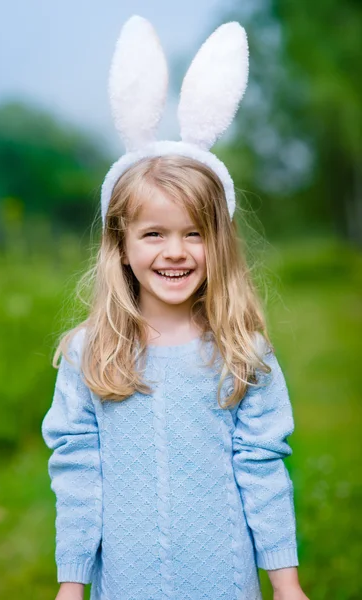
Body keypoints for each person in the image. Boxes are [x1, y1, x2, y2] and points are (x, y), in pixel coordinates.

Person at [41, 16, 309, 600]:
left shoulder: (242, 353)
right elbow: (78, 471)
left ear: (219, 243)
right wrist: (71, 585)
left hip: (224, 580)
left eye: (195, 233)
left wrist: (286, 584)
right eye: (154, 234)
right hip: (127, 583)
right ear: (121, 245)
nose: (176, 252)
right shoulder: (91, 354)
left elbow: (262, 468)